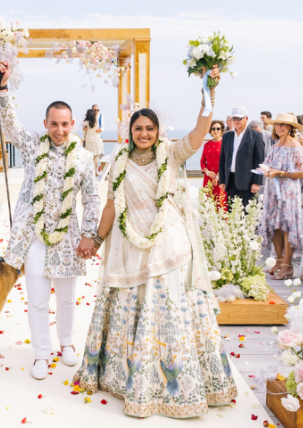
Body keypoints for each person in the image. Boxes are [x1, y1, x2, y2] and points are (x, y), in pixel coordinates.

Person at [74, 65, 237, 418]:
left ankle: (175, 384)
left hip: (168, 245)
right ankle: (132, 377)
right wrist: (96, 240)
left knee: (169, 309)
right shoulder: (118, 161)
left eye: (149, 128)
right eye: (138, 129)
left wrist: (208, 94)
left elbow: (199, 131)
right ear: (129, 133)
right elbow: (111, 206)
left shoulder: (171, 154)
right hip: (130, 248)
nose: (144, 133)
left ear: (158, 131)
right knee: (133, 307)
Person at [0, 61, 99, 381]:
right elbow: (10, 124)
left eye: (65, 124)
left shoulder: (83, 157)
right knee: (37, 299)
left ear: (73, 125)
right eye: (54, 124)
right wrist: (3, 87)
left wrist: (89, 234)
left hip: (68, 239)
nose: (60, 130)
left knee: (67, 298)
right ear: (46, 123)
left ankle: (66, 344)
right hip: (35, 238)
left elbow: (92, 198)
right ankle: (41, 352)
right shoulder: (31, 146)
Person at [258, 114, 303, 280]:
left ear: (290, 127)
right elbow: (268, 164)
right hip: (273, 190)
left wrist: (282, 173)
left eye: (283, 125)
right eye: (277, 124)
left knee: (287, 226)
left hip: (288, 192)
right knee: (274, 225)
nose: (279, 127)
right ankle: (279, 260)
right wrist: (265, 170)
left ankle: (288, 266)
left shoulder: (296, 146)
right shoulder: (275, 145)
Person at [218, 106, 265, 208]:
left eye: (239, 118)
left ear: (246, 119)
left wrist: (257, 182)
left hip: (248, 183)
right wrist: (222, 180)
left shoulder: (256, 136)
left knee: (248, 216)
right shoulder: (227, 136)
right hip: (230, 182)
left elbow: (260, 161)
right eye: (234, 118)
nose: (236, 121)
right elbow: (223, 159)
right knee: (232, 214)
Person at [200, 119, 227, 208]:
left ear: (221, 130)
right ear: (210, 131)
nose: (216, 131)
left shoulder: (225, 144)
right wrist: (207, 172)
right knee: (208, 203)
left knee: (221, 202)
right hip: (208, 178)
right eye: (213, 128)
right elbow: (202, 161)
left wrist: (218, 176)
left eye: (218, 128)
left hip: (221, 178)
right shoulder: (206, 145)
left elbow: (227, 162)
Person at [82, 109, 103, 173]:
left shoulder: (85, 123)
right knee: (96, 156)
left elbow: (84, 133)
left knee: (89, 157)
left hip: (89, 141)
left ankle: (90, 171)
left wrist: (84, 138)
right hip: (96, 140)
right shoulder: (96, 122)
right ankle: (96, 171)